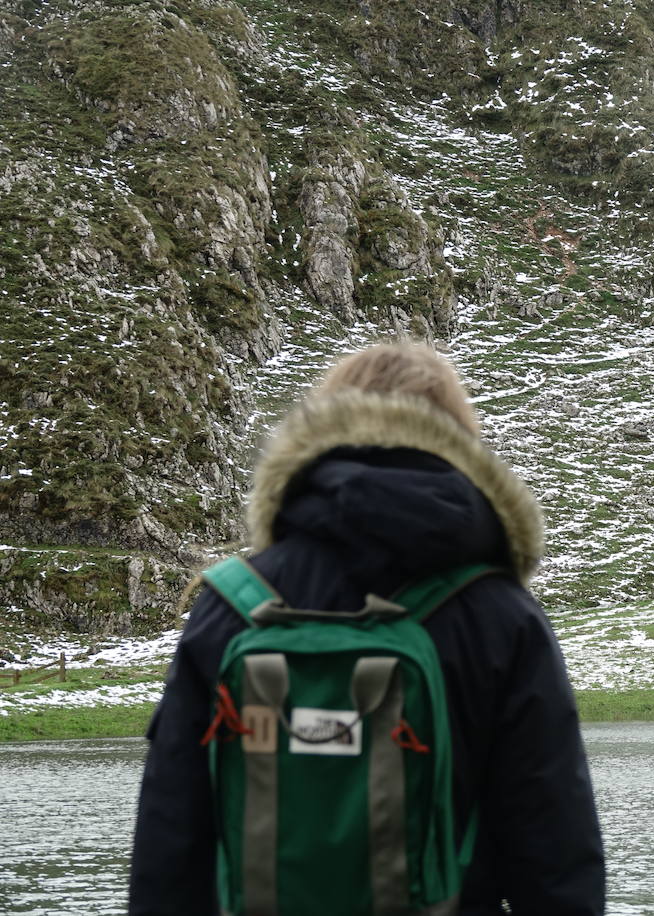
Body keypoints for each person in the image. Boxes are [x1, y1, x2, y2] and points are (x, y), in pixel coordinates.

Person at [129, 340, 605, 915]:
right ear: (457, 437)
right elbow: (554, 848)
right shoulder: (500, 612)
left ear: (321, 428)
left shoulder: (233, 604)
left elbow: (170, 839)